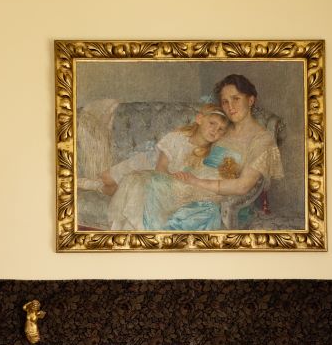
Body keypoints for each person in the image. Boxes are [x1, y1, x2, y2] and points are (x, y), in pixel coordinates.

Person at [169, 74, 284, 229]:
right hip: (192, 184)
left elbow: (243, 186)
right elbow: (196, 151)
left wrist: (196, 182)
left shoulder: (262, 140)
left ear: (250, 100)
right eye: (225, 102)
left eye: (236, 99)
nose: (230, 107)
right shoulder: (221, 128)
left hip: (222, 201)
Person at [107, 104, 234, 230]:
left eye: (221, 129)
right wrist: (171, 177)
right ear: (199, 119)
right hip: (162, 177)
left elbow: (213, 180)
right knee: (129, 181)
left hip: (184, 191)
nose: (215, 130)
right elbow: (161, 167)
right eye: (212, 123)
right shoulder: (177, 138)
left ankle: (145, 230)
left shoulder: (214, 153)